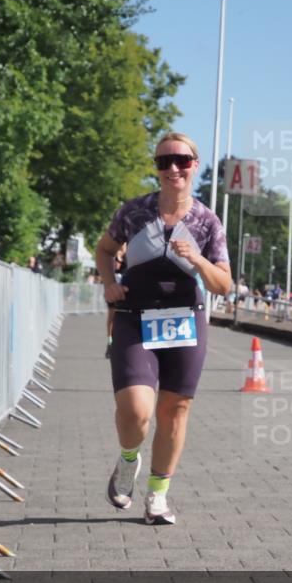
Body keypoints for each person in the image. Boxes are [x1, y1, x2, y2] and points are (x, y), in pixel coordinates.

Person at [95, 132, 231, 525]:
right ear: (156, 168)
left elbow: (224, 283)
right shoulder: (134, 212)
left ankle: (158, 496)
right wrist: (108, 282)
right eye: (164, 161)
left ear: (194, 165)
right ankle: (127, 460)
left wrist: (198, 260)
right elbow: (105, 250)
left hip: (185, 320)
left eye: (182, 161)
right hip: (134, 316)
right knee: (137, 410)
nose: (173, 168)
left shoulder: (207, 221)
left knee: (176, 409)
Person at [104, 243, 127, 359]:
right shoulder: (115, 255)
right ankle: (110, 341)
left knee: (123, 318)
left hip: (126, 292)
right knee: (112, 317)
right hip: (114, 290)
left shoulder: (130, 255)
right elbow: (115, 268)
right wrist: (117, 258)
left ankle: (122, 342)